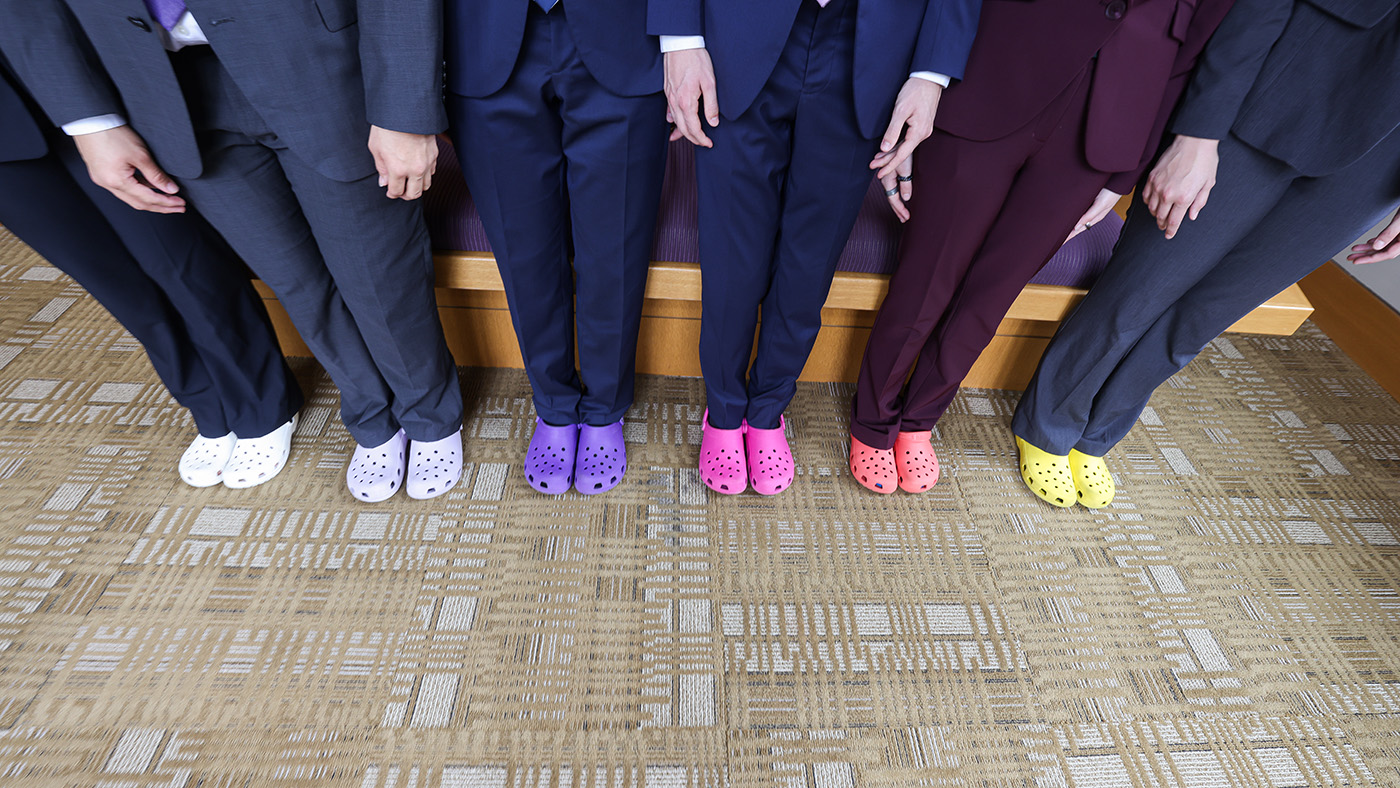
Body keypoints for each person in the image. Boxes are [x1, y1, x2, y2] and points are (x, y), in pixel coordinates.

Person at [0, 0, 466, 503]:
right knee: (297, 283)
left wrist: (403, 107)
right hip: (162, 89)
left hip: (318, 64)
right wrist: (90, 122)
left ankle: (429, 416)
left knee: (377, 275)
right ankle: (369, 416)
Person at [1011, 0, 1400, 509]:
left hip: (1377, 164)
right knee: (1145, 283)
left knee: (1205, 317)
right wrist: (1199, 132)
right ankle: (1049, 422)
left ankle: (1098, 433)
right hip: (1275, 90)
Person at [847, 0, 1231, 495]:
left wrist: (1126, 173)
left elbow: (1190, 55)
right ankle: (874, 419)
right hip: (997, 71)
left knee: (993, 294)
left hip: (1107, 126)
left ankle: (921, 417)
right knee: (929, 271)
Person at [652, 0, 981, 495]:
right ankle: (722, 411)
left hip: (870, 45)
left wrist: (931, 73)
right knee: (731, 258)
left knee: (810, 265)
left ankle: (766, 411)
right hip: (735, 35)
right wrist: (680, 38)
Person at [0, 57, 303, 489]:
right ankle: (207, 403)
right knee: (110, 280)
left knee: (173, 257)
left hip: (74, 82)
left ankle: (262, 400)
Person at [444, 0, 667, 496]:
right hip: (483, 36)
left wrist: (680, 38)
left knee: (614, 253)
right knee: (523, 254)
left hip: (625, 33)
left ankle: (605, 407)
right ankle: (554, 405)